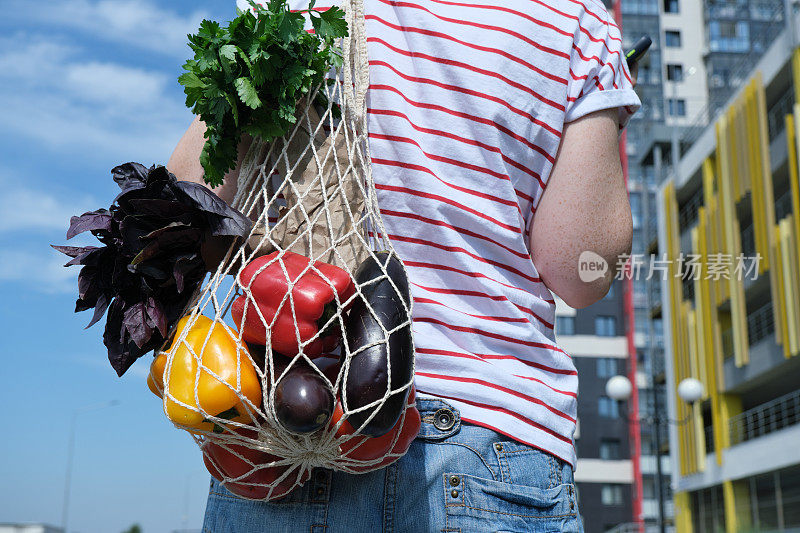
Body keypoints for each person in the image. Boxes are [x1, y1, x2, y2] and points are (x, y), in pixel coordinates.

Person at [168, 0, 639, 530]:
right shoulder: (576, 22)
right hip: (492, 435)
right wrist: (603, 122)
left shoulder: (300, 6)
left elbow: (191, 198)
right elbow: (579, 269)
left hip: (283, 413)